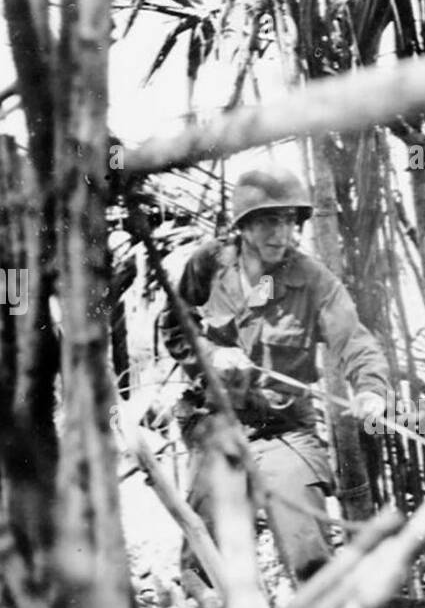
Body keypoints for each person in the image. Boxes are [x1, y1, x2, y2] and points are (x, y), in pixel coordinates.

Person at [158, 166, 389, 586]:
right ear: (243, 228)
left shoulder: (313, 279)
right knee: (211, 549)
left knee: (307, 541)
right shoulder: (208, 264)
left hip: (284, 427)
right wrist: (211, 354)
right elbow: (175, 326)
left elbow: (353, 339)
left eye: (288, 221)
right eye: (268, 221)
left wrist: (371, 390)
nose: (281, 234)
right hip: (217, 421)